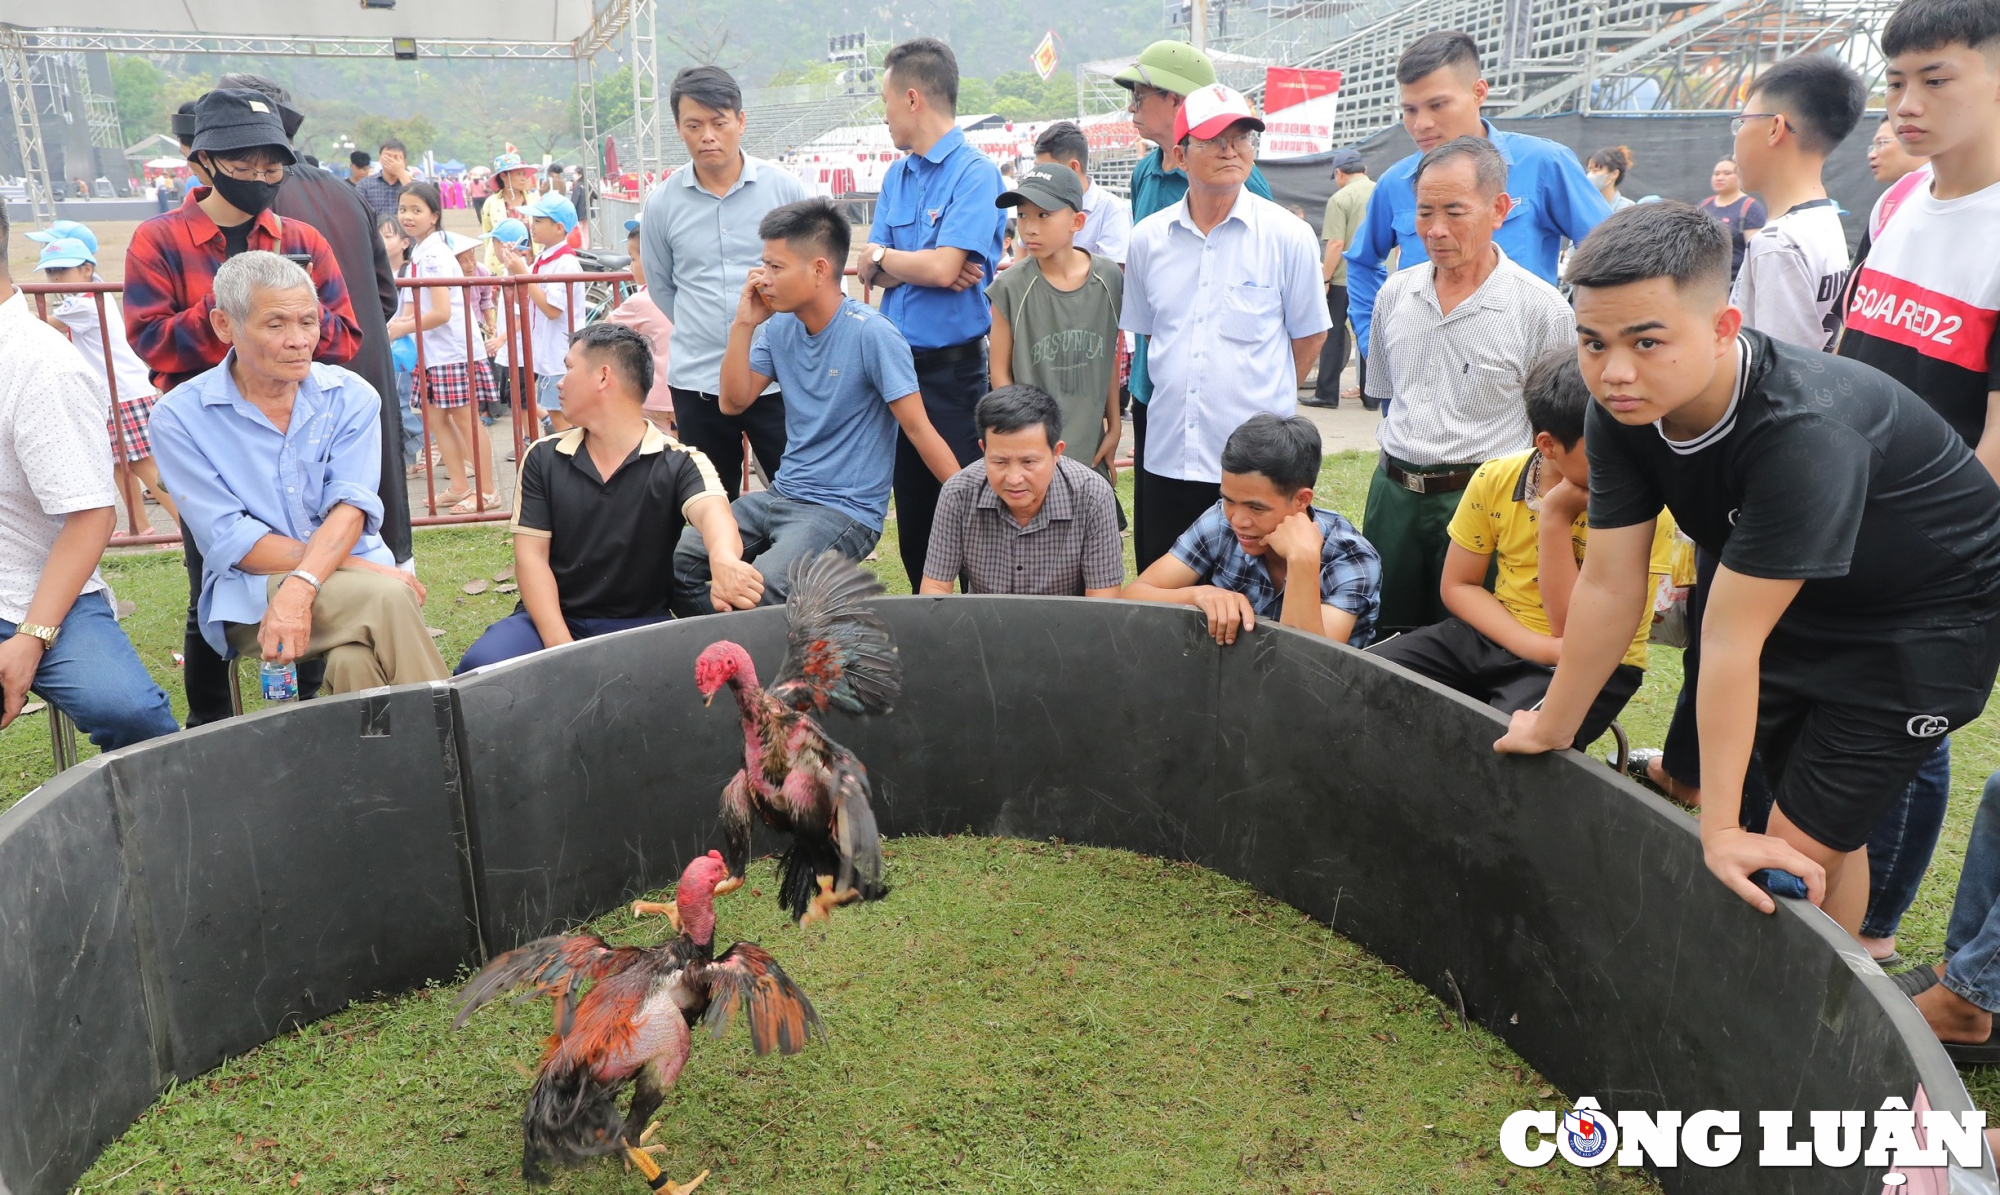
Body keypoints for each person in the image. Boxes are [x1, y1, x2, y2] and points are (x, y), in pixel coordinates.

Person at [1494, 203, 2000, 940]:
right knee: (1824, 827)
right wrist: (1556, 723)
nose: (1616, 371)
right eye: (1593, 342)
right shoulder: (1621, 408)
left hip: (1924, 619)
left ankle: (1824, 1027)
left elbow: (1731, 641)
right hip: (1806, 591)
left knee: (1786, 851)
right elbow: (1610, 582)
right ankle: (1851, 981)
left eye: (1647, 340)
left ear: (1724, 327)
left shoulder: (1805, 432)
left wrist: (1722, 826)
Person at [1837, 0, 2000, 965]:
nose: (1905, 104)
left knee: (1908, 724)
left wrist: (1919, 559)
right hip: (1845, 522)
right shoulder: (1898, 203)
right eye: (1895, 81)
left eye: (1935, 79)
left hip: (1936, 552)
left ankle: (1874, 935)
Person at [151, 252, 452, 694]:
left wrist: (307, 583)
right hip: (254, 594)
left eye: (308, 322)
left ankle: (371, 761)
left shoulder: (351, 397)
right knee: (388, 597)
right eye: (275, 325)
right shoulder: (179, 417)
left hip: (357, 580)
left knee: (356, 662)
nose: (298, 340)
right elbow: (232, 540)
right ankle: (454, 748)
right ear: (224, 325)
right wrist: (327, 576)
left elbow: (351, 508)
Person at [1370, 351, 1672, 744]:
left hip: (1593, 660)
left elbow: (1573, 631)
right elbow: (1459, 586)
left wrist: (1555, 518)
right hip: (1498, 636)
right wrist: (1533, 646)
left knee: (1500, 744)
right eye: (1603, 453)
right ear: (1547, 445)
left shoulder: (1642, 509)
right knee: (1364, 674)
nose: (1623, 465)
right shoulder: (1495, 479)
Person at [674, 198, 962, 608]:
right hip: (782, 495)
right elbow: (732, 402)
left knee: (764, 587)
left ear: (819, 270)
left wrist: (969, 500)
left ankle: (749, 662)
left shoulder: (872, 334)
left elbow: (919, 430)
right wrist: (743, 323)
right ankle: (725, 659)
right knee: (685, 560)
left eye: (776, 267)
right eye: (764, 265)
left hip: (844, 511)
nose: (762, 278)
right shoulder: (780, 328)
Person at [1362, 136, 1575, 633]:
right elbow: (1389, 395)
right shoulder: (1395, 294)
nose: (1436, 230)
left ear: (1499, 209)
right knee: (1384, 636)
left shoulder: (1540, 309)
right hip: (1393, 494)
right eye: (1424, 213)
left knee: (1474, 642)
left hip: (1485, 502)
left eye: (1455, 212)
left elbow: (1559, 433)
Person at [457, 324, 757, 672]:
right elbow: (531, 559)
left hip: (639, 625)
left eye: (569, 368)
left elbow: (714, 514)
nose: (559, 381)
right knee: (481, 668)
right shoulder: (543, 456)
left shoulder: (679, 461)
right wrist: (561, 648)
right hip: (550, 622)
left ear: (603, 377)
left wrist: (722, 559)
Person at [1122, 84, 1330, 572]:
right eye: (1214, 138)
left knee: (1256, 604)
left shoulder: (1288, 237)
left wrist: (1268, 394)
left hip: (1259, 471)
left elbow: (1310, 335)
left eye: (1242, 137)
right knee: (1167, 602)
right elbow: (1151, 333)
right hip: (1169, 455)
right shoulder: (1148, 240)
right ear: (1178, 155)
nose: (1231, 149)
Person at [0, 206, 178, 750]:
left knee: (131, 715)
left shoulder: (37, 363)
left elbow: (91, 514)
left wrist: (32, 636)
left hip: (28, 591)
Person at [218, 72, 413, 567]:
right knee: (372, 497)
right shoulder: (347, 193)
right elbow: (385, 295)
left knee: (302, 508)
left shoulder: (250, 206)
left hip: (297, 388)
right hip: (362, 367)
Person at [1344, 31, 1608, 368]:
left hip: (1519, 379)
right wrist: (1375, 343)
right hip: (1420, 374)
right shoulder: (1396, 182)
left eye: (1437, 105)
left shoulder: (1543, 163)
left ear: (1478, 92)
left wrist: (1572, 350)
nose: (1421, 124)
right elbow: (1363, 262)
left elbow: (1609, 255)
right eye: (1409, 109)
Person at [855, 37, 1008, 589]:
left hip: (952, 374)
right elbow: (868, 268)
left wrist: (896, 260)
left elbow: (945, 271)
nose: (886, 115)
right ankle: (932, 632)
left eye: (887, 101)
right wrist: (908, 261)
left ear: (913, 98)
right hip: (897, 371)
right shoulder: (899, 175)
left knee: (968, 506)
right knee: (917, 517)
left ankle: (979, 633)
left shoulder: (974, 173)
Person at [124, 88, 363, 398]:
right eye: (244, 168)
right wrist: (232, 303)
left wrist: (294, 308)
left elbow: (345, 340)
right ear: (206, 160)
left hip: (292, 415)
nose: (260, 179)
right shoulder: (158, 240)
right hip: (200, 417)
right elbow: (152, 345)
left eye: (272, 169)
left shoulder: (303, 239)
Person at [640, 66, 809, 501]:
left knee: (800, 494)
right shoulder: (661, 205)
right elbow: (663, 287)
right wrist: (709, 328)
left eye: (719, 123)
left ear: (741, 122)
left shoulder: (784, 190)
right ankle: (721, 571)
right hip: (700, 381)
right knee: (710, 502)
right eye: (694, 125)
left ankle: (799, 571)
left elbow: (812, 274)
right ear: (679, 128)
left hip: (778, 378)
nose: (707, 136)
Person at [1113, 40, 1277, 482]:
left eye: (1140, 96)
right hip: (1158, 387)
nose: (1132, 109)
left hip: (1225, 402)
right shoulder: (1144, 172)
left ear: (1178, 100)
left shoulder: (1241, 178)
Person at [1123, 413, 1380, 647]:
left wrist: (1302, 560)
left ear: (1302, 500)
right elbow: (1130, 599)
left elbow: (1308, 667)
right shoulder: (1220, 522)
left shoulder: (1351, 557)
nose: (1238, 520)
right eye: (1229, 500)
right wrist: (1199, 594)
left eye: (1256, 508)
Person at [986, 163, 1124, 485]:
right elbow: (1000, 373)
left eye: (1043, 215)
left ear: (1077, 221)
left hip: (1089, 450)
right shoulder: (1010, 286)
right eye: (1022, 215)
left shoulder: (1108, 278)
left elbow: (1109, 355)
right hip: (1034, 456)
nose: (1029, 228)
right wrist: (1022, 441)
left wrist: (1114, 426)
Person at [34, 235, 182, 533]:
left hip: (123, 394)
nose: (56, 277)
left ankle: (185, 527)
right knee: (119, 465)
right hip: (113, 394)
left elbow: (42, 322)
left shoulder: (85, 304)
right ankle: (140, 526)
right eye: (50, 271)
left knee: (144, 465)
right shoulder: (87, 299)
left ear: (87, 270)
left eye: (64, 269)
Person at [920, 384, 1124, 598]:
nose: (1014, 479)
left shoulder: (1092, 495)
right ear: (984, 450)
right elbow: (936, 588)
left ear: (1056, 452)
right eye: (1000, 461)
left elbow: (1102, 601)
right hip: (983, 625)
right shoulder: (958, 494)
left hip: (1068, 627)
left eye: (1029, 462)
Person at [1729, 53, 1866, 352]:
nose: (1736, 137)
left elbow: (1778, 375)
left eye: (1741, 122)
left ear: (1774, 128)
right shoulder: (1824, 217)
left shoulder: (1777, 243)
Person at [390, 181, 499, 513]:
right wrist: (398, 324)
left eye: (416, 210)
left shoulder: (434, 254)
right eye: (403, 209)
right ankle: (459, 485)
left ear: (434, 216)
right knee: (436, 418)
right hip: (435, 352)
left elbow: (440, 312)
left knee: (466, 420)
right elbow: (411, 308)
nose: (407, 216)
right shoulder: (421, 252)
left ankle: (488, 491)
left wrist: (399, 328)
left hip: (453, 351)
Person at [497, 190, 582, 436]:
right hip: (547, 351)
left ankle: (571, 465)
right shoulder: (544, 258)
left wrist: (522, 272)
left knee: (560, 415)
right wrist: (514, 266)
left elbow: (552, 309)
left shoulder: (565, 263)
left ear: (558, 228)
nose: (532, 226)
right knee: (555, 413)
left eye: (538, 221)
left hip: (559, 352)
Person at [1311, 148, 1375, 409]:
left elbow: (1336, 244)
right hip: (1378, 277)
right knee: (1370, 336)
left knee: (1333, 335)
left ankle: (1326, 395)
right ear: (1365, 170)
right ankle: (1372, 397)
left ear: (1339, 173)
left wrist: (1324, 278)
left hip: (1344, 280)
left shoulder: (1340, 198)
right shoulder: (1382, 192)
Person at [604, 217, 676, 434]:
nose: (630, 266)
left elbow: (606, 330)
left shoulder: (639, 301)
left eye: (633, 259)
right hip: (689, 393)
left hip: (653, 397)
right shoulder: (687, 293)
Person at [1033, 121, 1132, 265]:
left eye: (1047, 170)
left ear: (1073, 167)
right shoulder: (1038, 203)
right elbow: (1023, 251)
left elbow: (1113, 276)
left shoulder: (1111, 211)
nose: (1041, 176)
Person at [1698, 157, 1767, 280]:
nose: (1720, 178)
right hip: (1705, 281)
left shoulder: (1750, 207)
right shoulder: (1703, 205)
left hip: (1735, 283)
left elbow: (1756, 252)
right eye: (1716, 174)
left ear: (1740, 176)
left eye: (1727, 173)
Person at [481, 150, 539, 275]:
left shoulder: (535, 200)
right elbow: (488, 234)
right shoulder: (491, 203)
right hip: (501, 266)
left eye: (524, 174)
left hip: (531, 265)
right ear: (503, 176)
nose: (524, 178)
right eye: (519, 174)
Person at [354, 137, 410, 221]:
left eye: (397, 157)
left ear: (404, 162)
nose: (392, 161)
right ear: (380, 158)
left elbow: (418, 202)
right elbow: (358, 214)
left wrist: (401, 173)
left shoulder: (413, 185)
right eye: (388, 156)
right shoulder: (365, 184)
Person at [1586, 146, 1637, 212]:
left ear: (1614, 174)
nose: (1590, 175)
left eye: (1596, 170)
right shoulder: (1583, 205)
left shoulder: (1628, 209)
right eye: (1589, 170)